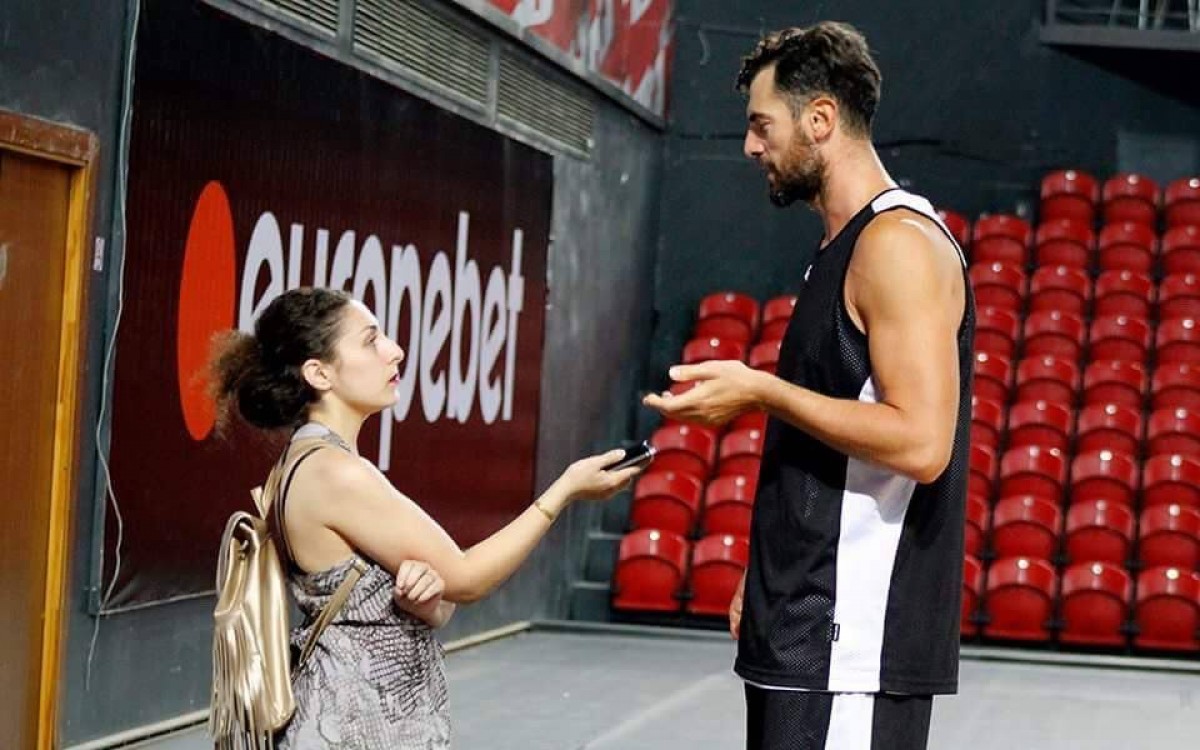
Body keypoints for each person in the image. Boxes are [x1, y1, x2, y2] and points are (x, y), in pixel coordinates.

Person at [644, 21, 975, 750]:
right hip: (805, 625)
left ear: (820, 119)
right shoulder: (841, 247)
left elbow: (923, 444)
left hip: (849, 644)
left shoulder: (896, 245)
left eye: (762, 125)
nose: (749, 146)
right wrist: (768, 573)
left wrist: (763, 392)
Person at [210, 287, 641, 748]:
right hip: (355, 726)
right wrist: (564, 491)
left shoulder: (312, 461)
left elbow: (443, 594)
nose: (395, 350)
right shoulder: (335, 473)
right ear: (319, 373)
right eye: (370, 340)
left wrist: (426, 602)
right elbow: (468, 578)